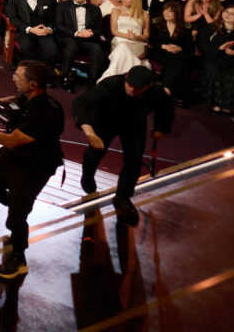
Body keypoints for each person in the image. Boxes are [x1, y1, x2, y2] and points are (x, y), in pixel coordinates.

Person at [0, 60, 65, 281]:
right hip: (14, 158)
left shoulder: (45, 113)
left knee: (17, 215)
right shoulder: (30, 96)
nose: (13, 78)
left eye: (18, 76)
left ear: (33, 84)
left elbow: (12, 141)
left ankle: (18, 257)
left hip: (35, 167)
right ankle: (19, 206)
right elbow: (17, 99)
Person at [73, 66, 175, 224]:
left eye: (138, 88)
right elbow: (80, 103)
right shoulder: (111, 84)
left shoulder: (156, 92)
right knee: (94, 153)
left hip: (134, 123)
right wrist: (89, 131)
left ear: (149, 86)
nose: (132, 90)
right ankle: (87, 178)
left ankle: (123, 197)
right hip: (105, 120)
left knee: (134, 161)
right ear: (126, 77)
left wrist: (161, 129)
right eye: (130, 84)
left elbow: (166, 109)